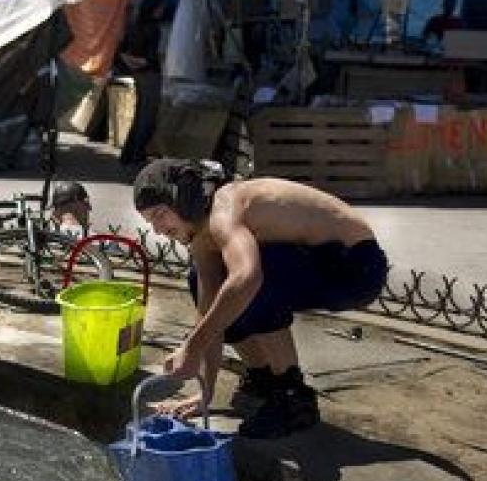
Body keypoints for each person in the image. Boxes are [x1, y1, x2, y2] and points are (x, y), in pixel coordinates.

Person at [133, 159, 388, 439]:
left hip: (355, 266)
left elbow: (247, 278)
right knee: (206, 283)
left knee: (250, 275)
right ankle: (264, 378)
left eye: (160, 215)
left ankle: (292, 395)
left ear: (181, 198)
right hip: (318, 260)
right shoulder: (201, 238)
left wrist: (192, 347)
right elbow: (208, 313)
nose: (157, 229)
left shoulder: (225, 208)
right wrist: (204, 393)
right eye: (150, 222)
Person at [115, 0, 165, 172]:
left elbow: (121, 51)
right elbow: (151, 58)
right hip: (150, 74)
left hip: (138, 74)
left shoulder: (134, 25)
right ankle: (136, 155)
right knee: (147, 118)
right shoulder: (153, 29)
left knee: (139, 116)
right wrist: (141, 62)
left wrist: (132, 62)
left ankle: (128, 155)